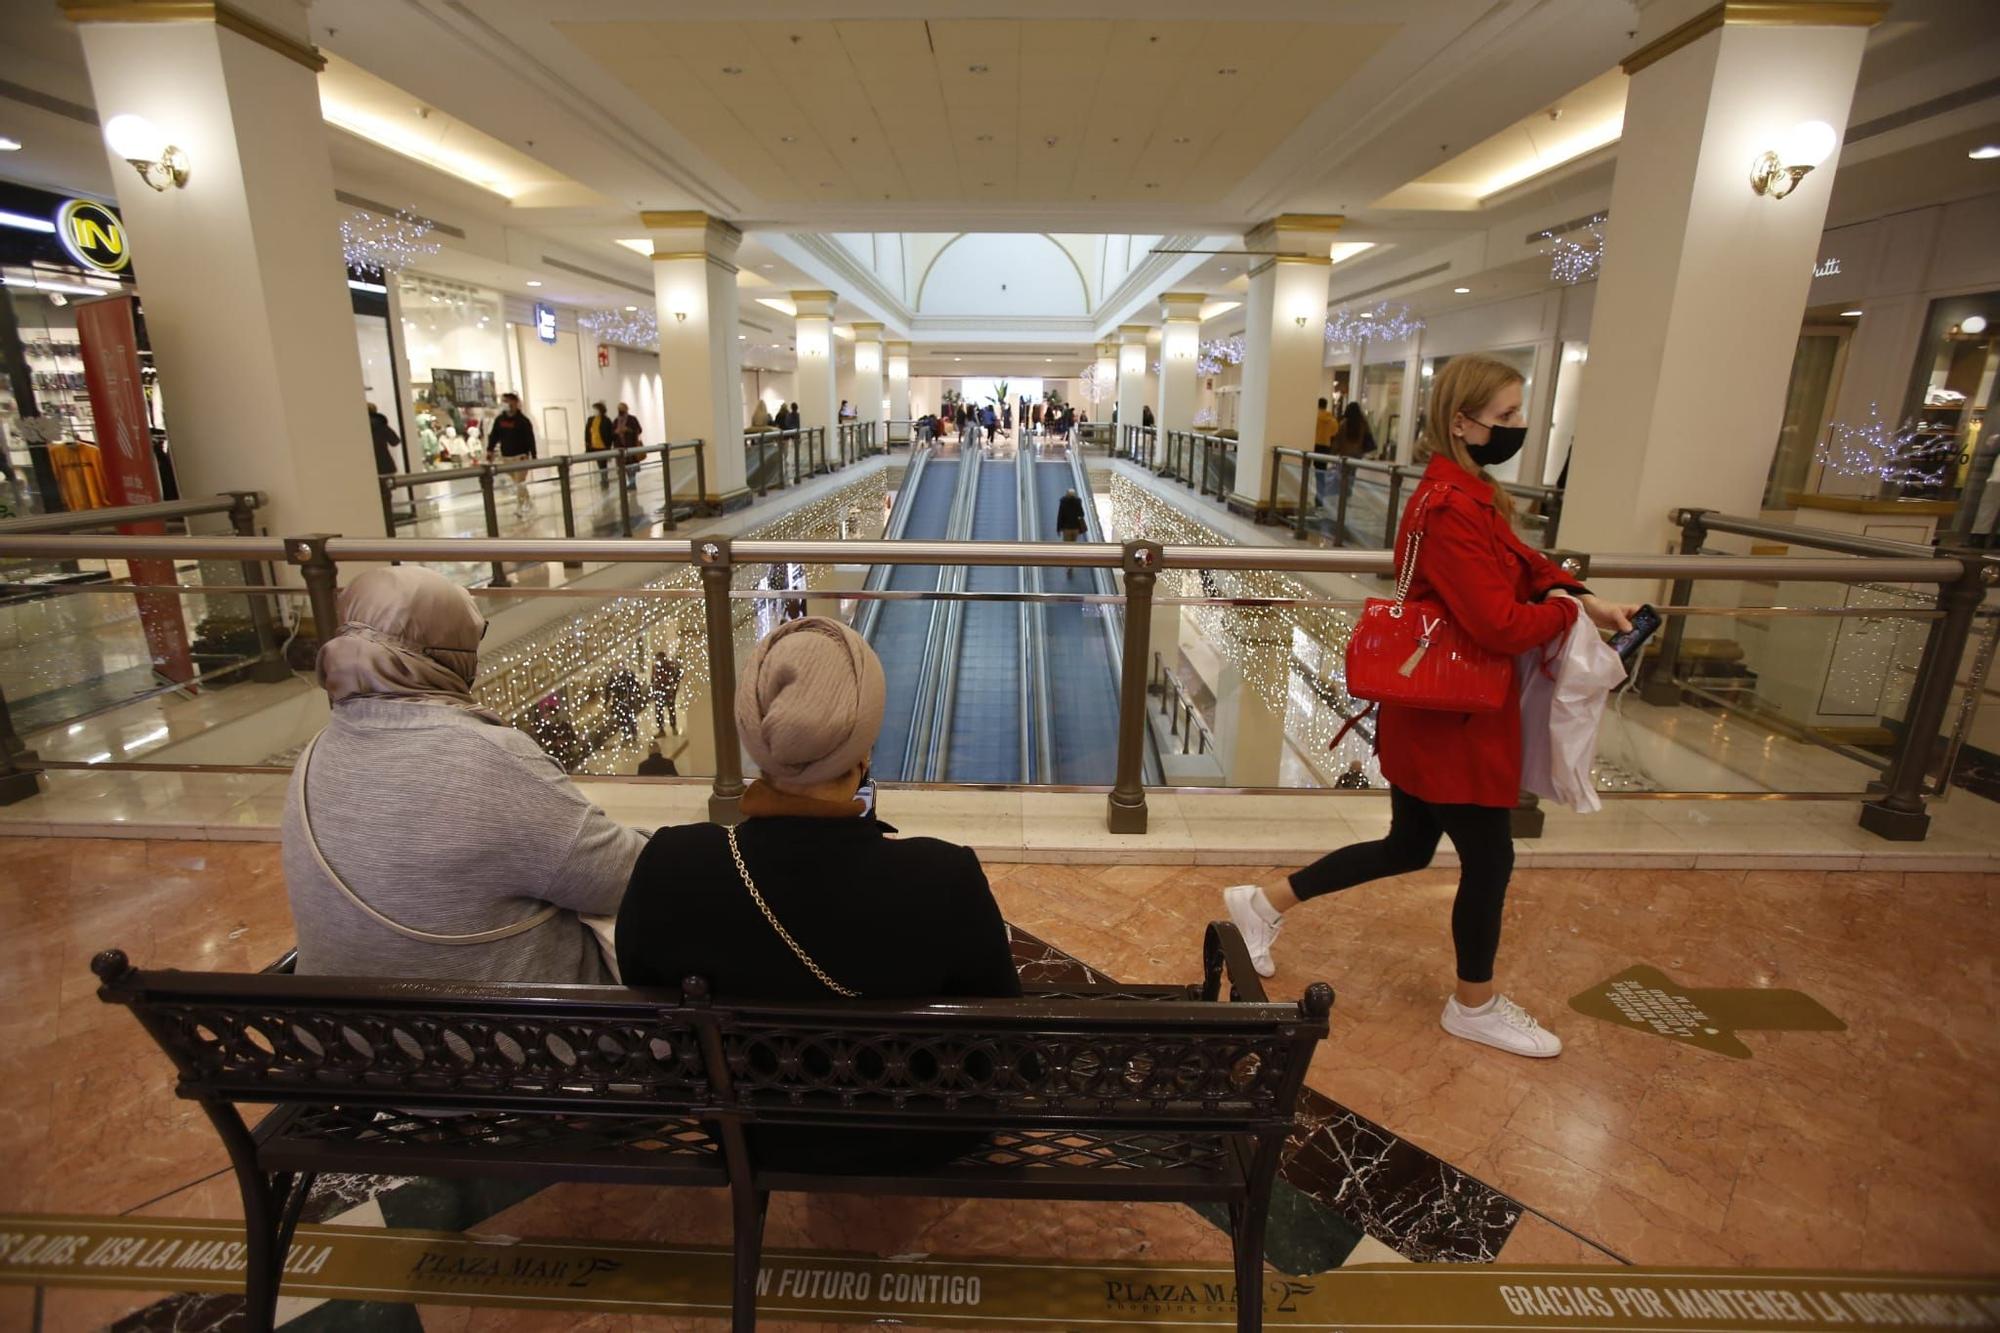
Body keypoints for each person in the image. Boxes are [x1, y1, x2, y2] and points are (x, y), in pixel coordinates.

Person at [1222, 354, 1637, 1059]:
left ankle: (1261, 905)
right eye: (1505, 416)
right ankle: (1472, 1003)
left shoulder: (1467, 491)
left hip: (1435, 705)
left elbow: (1522, 562)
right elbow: (1498, 624)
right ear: (1462, 421)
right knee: (1490, 858)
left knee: (1409, 845)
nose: (1517, 426)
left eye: (1518, 413)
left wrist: (1574, 591)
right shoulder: (1449, 506)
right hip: (1455, 717)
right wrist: (1568, 620)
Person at [616, 616, 1019, 1171]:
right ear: (864, 748)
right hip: (922, 1137)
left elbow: (647, 990)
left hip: (750, 1138)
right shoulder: (944, 877)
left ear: (757, 737)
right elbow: (1004, 1033)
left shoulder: (671, 863)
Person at [283, 567, 645, 983]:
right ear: (452, 651)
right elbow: (624, 877)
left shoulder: (313, 756)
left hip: (342, 1036)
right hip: (504, 1037)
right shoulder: (488, 758)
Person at [487, 393, 537, 512]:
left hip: (521, 457)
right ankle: (528, 502)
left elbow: (530, 438)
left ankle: (520, 507)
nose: (505, 404)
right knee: (517, 483)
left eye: (507, 401)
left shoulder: (523, 421)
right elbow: (494, 436)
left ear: (515, 403)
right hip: (507, 457)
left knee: (520, 482)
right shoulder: (500, 420)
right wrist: (490, 450)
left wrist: (534, 455)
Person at [605, 665, 647, 744]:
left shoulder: (627, 675)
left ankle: (633, 734)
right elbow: (608, 689)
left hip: (627, 700)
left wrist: (638, 696)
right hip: (619, 701)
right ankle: (627, 735)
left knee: (629, 718)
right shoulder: (614, 676)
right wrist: (607, 700)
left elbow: (635, 685)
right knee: (622, 719)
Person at [652, 651, 684, 735]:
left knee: (670, 709)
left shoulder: (669, 665)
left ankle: (673, 727)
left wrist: (673, 687)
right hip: (659, 690)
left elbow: (676, 676)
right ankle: (661, 729)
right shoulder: (656, 667)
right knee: (659, 710)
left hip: (668, 690)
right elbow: (653, 678)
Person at [613, 401, 644, 488]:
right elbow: (612, 434)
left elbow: (639, 430)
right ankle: (629, 482)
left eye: (622, 408)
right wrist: (616, 432)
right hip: (620, 447)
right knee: (624, 466)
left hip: (631, 446)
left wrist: (628, 430)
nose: (620, 410)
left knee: (632, 465)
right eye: (619, 409)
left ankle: (632, 482)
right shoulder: (616, 421)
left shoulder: (632, 419)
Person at [367, 402, 400, 476]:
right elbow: (395, 441)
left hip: (366, 466)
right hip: (385, 465)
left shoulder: (358, 427)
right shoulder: (381, 425)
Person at [584, 401, 616, 477]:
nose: (594, 411)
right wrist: (587, 443)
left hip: (603, 447)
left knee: (603, 465)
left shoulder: (606, 420)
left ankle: (604, 481)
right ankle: (603, 480)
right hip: (594, 447)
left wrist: (609, 445)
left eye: (596, 409)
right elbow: (587, 432)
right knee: (600, 465)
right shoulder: (590, 419)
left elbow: (610, 434)